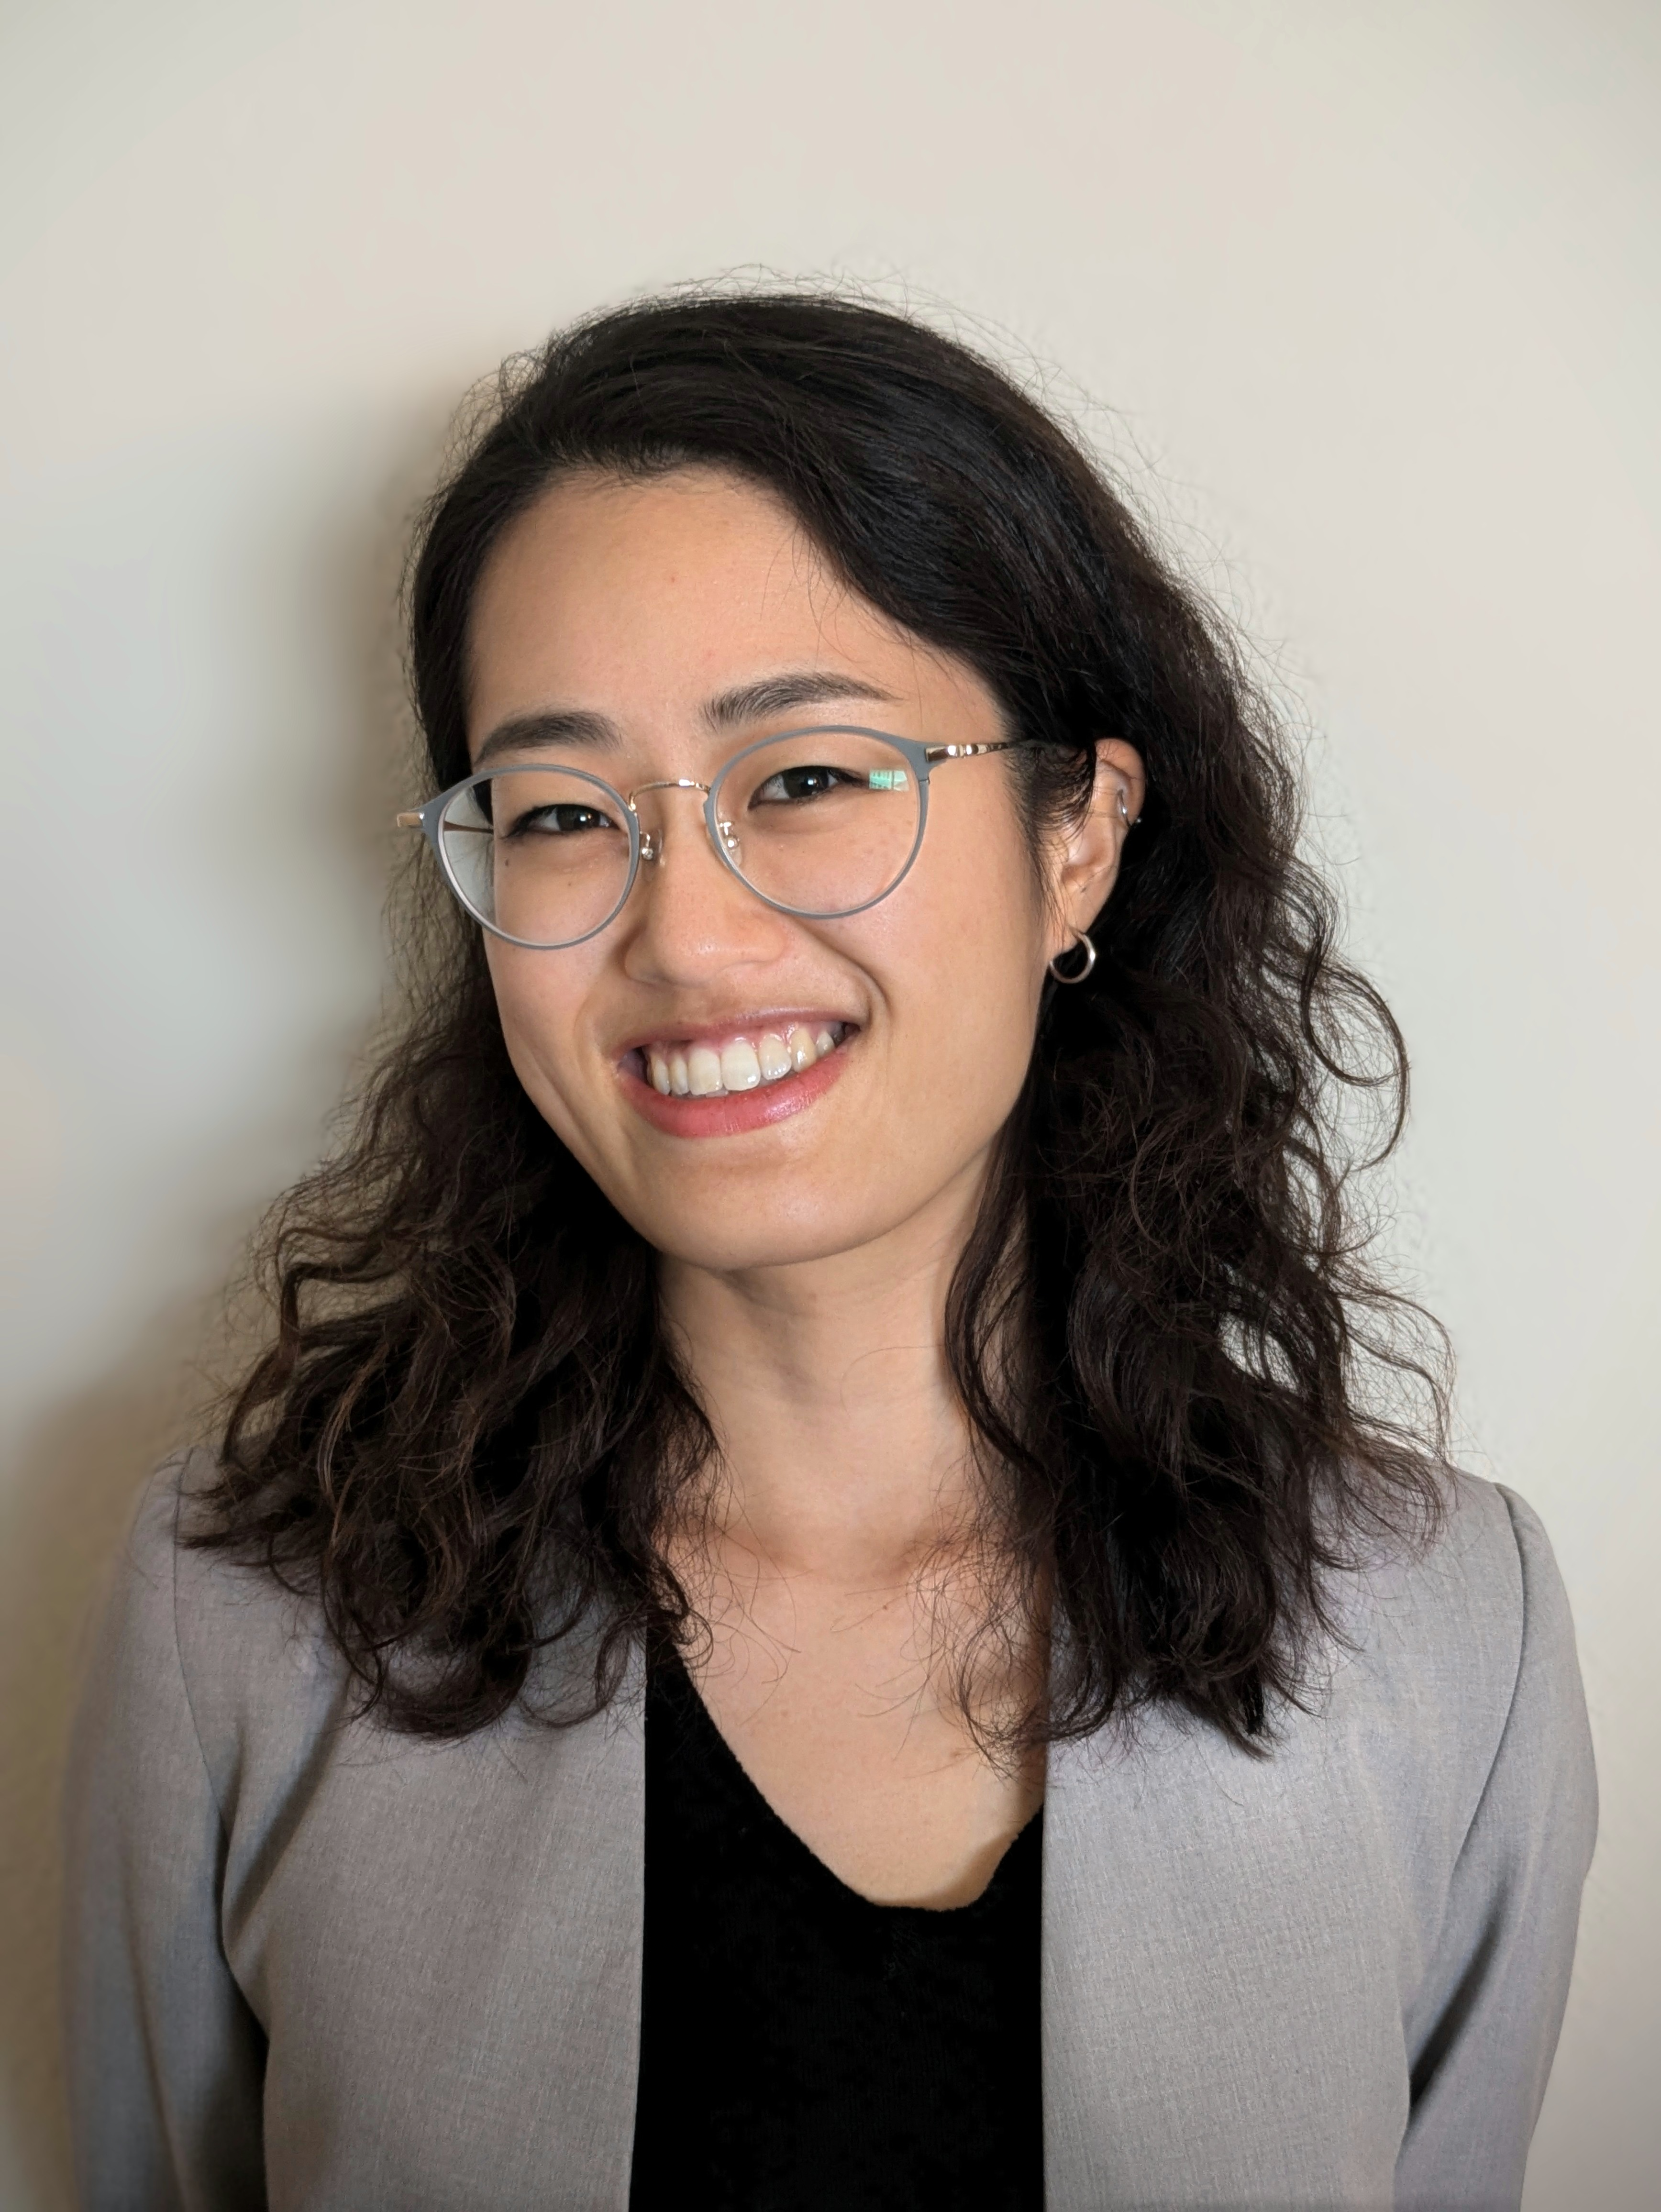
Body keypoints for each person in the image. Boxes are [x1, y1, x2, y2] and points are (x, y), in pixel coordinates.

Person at [63, 291, 1595, 2212]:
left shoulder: (1450, 1633)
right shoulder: (247, 1619)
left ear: (1077, 839)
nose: (685, 938)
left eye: (803, 779)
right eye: (559, 812)